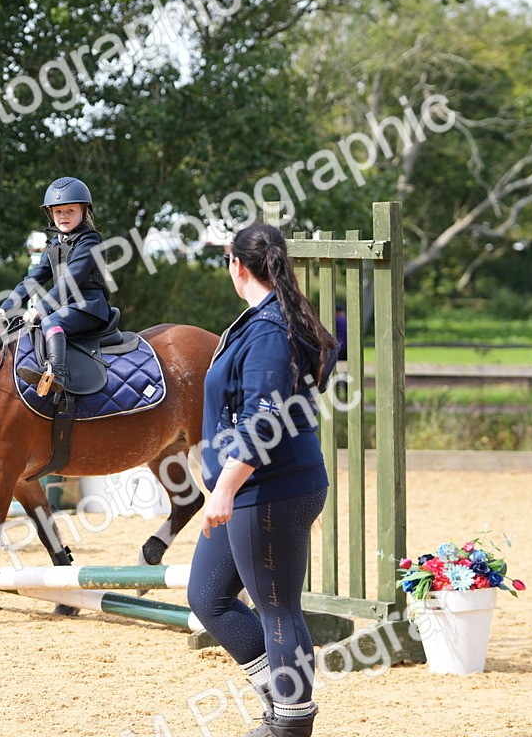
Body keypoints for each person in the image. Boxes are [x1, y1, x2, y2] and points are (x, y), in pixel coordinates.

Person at [187, 224, 338, 737]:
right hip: (253, 486)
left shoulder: (271, 330)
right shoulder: (262, 321)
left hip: (269, 488)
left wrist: (224, 488)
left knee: (277, 608)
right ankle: (282, 700)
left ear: (237, 266)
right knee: (209, 598)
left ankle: (291, 726)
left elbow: (265, 419)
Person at [0, 177, 111, 395]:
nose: (63, 216)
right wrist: (4, 309)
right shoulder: (55, 244)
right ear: (51, 214)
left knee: (51, 320)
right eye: (58, 212)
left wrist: (40, 308)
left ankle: (57, 374)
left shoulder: (90, 241)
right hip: (66, 306)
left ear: (85, 212)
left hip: (89, 307)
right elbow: (33, 279)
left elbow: (70, 280)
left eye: (70, 211)